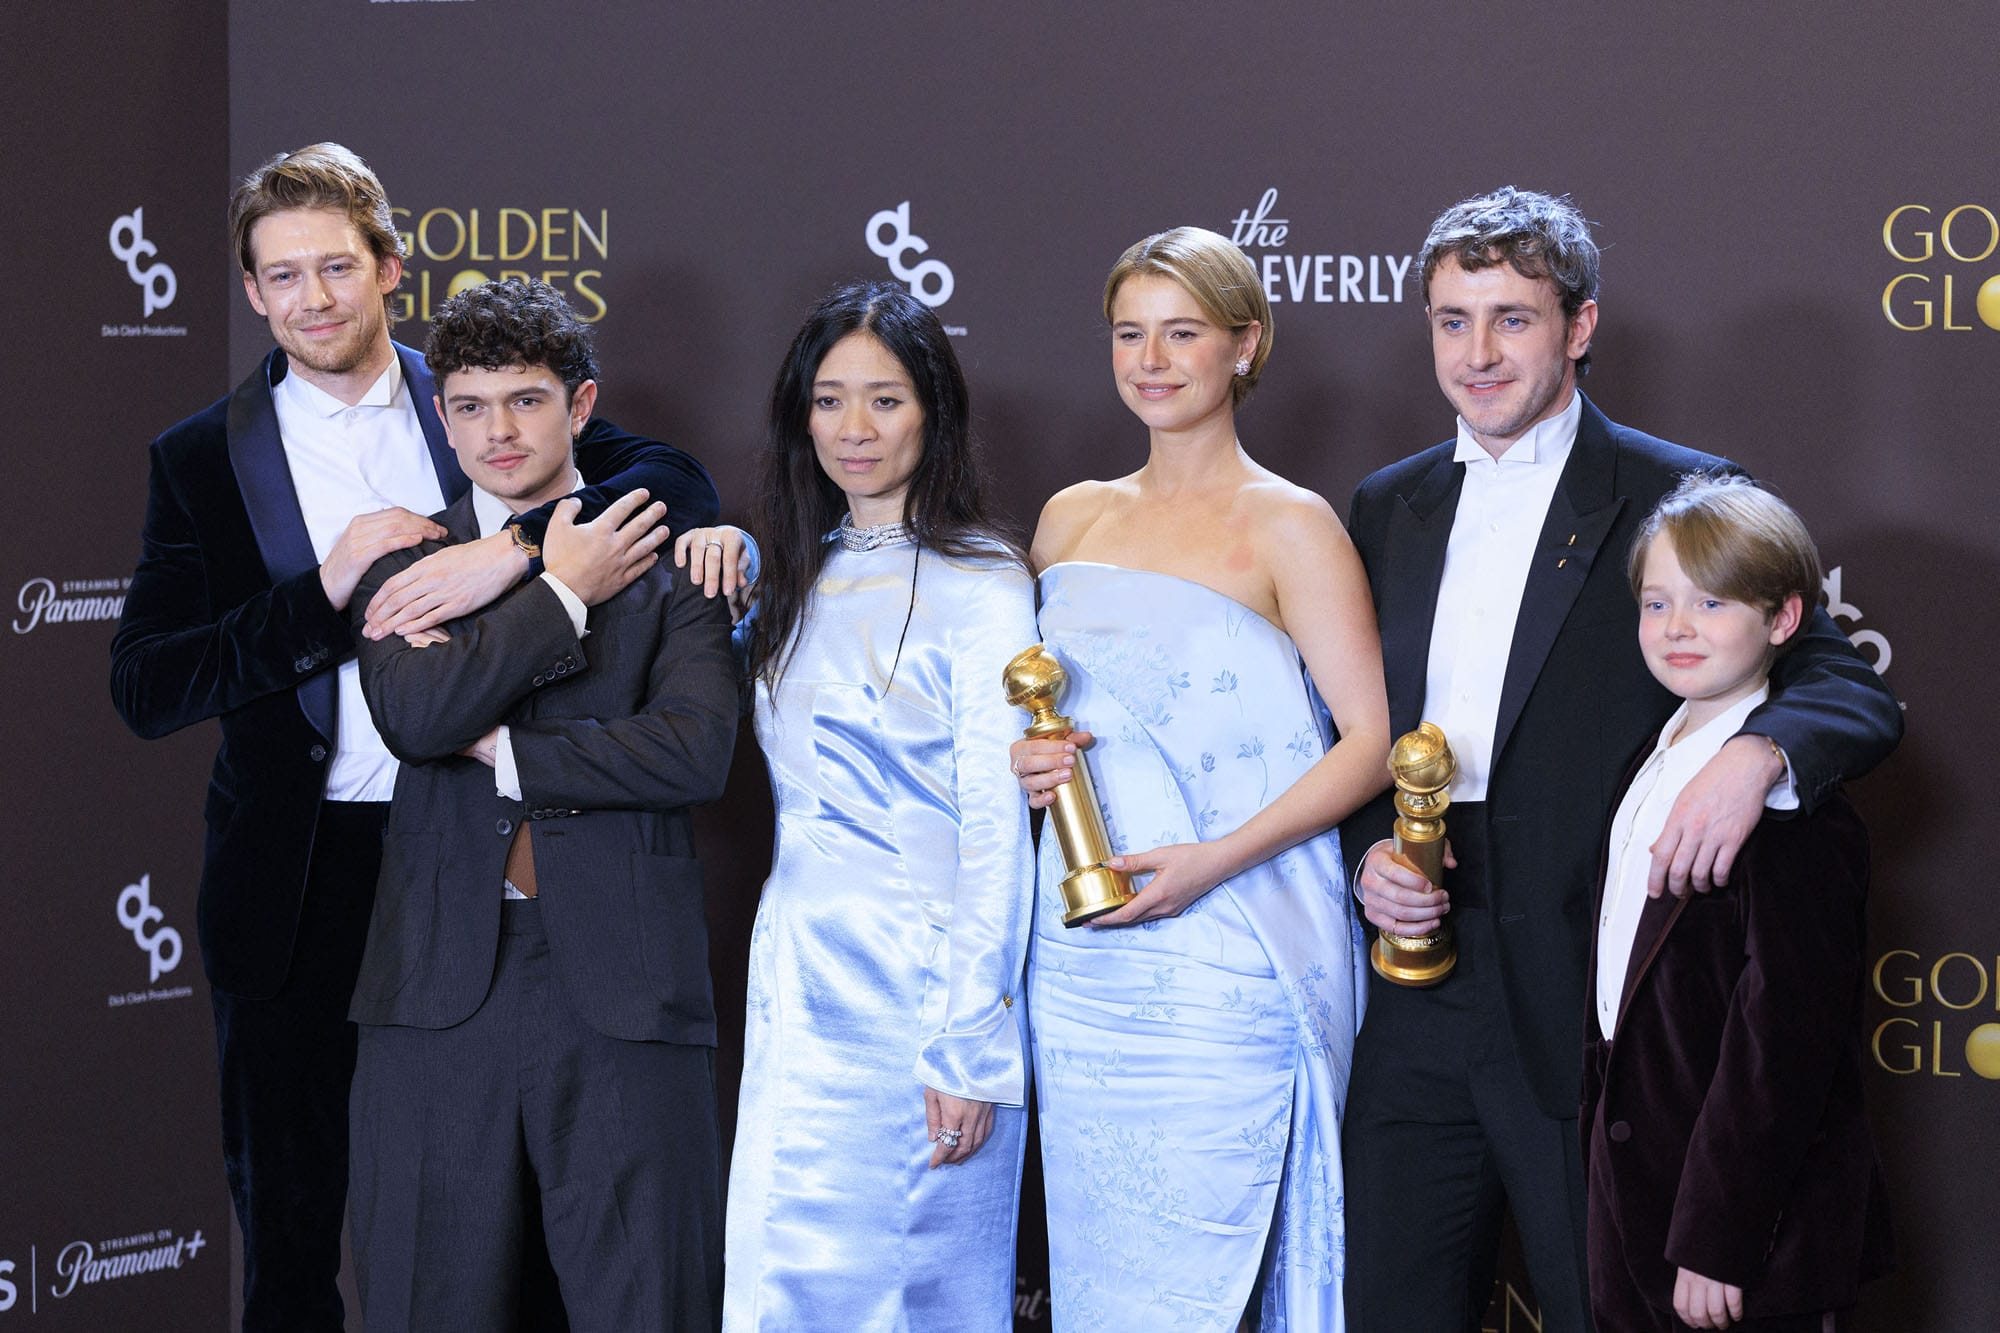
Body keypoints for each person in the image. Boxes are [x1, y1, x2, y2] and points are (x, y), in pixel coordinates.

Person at [107, 142, 718, 1331]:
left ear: (389, 268)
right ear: (251, 291)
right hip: (304, 879)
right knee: (295, 1245)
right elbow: (147, 683)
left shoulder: (477, 397)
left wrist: (512, 551)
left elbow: (673, 484)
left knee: (511, 1241)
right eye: (283, 276)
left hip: (480, 855)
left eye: (336, 266)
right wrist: (324, 591)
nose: (313, 297)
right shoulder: (198, 457)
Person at [1338, 187, 1903, 1333]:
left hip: (1587, 1002)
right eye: (1451, 320)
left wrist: (1757, 755)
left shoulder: (1678, 490)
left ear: (1579, 326)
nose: (1476, 353)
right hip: (1412, 994)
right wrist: (1364, 856)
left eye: (1511, 318)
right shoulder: (1386, 505)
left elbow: (1843, 684)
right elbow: (1345, 725)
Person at [1007, 227, 1390, 1330]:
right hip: (1083, 961)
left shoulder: (1292, 524)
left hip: (1230, 947)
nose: (1151, 360)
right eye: (1130, 334)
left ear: (1244, 344)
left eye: (1181, 333)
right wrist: (1023, 759)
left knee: (1210, 1283)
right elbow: (1041, 717)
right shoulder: (1069, 518)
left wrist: (1210, 864)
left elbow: (1367, 739)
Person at [341, 277, 737, 1332]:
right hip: (436, 981)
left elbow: (692, 751)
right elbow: (418, 718)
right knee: (424, 1299)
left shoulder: (671, 555)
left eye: (525, 400)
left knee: (649, 1301)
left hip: (624, 980)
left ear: (581, 404)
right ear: (442, 418)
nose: (498, 431)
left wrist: (509, 749)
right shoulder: (402, 563)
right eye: (470, 406)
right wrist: (560, 592)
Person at [678, 281, 1036, 1331]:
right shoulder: (794, 573)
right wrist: (732, 557)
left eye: (884, 399)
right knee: (782, 1284)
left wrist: (970, 1045)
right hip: (798, 983)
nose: (854, 428)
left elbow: (995, 830)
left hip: (922, 997)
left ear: (933, 409)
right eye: (830, 400)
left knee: (918, 1292)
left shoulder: (984, 582)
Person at [1583, 474, 1892, 1333]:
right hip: (1633, 1203)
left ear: (1785, 620)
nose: (1677, 626)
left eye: (1712, 601)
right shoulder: (1649, 757)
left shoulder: (1790, 805)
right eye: (1657, 602)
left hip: (1742, 1239)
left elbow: (1785, 1041)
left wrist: (1721, 1235)